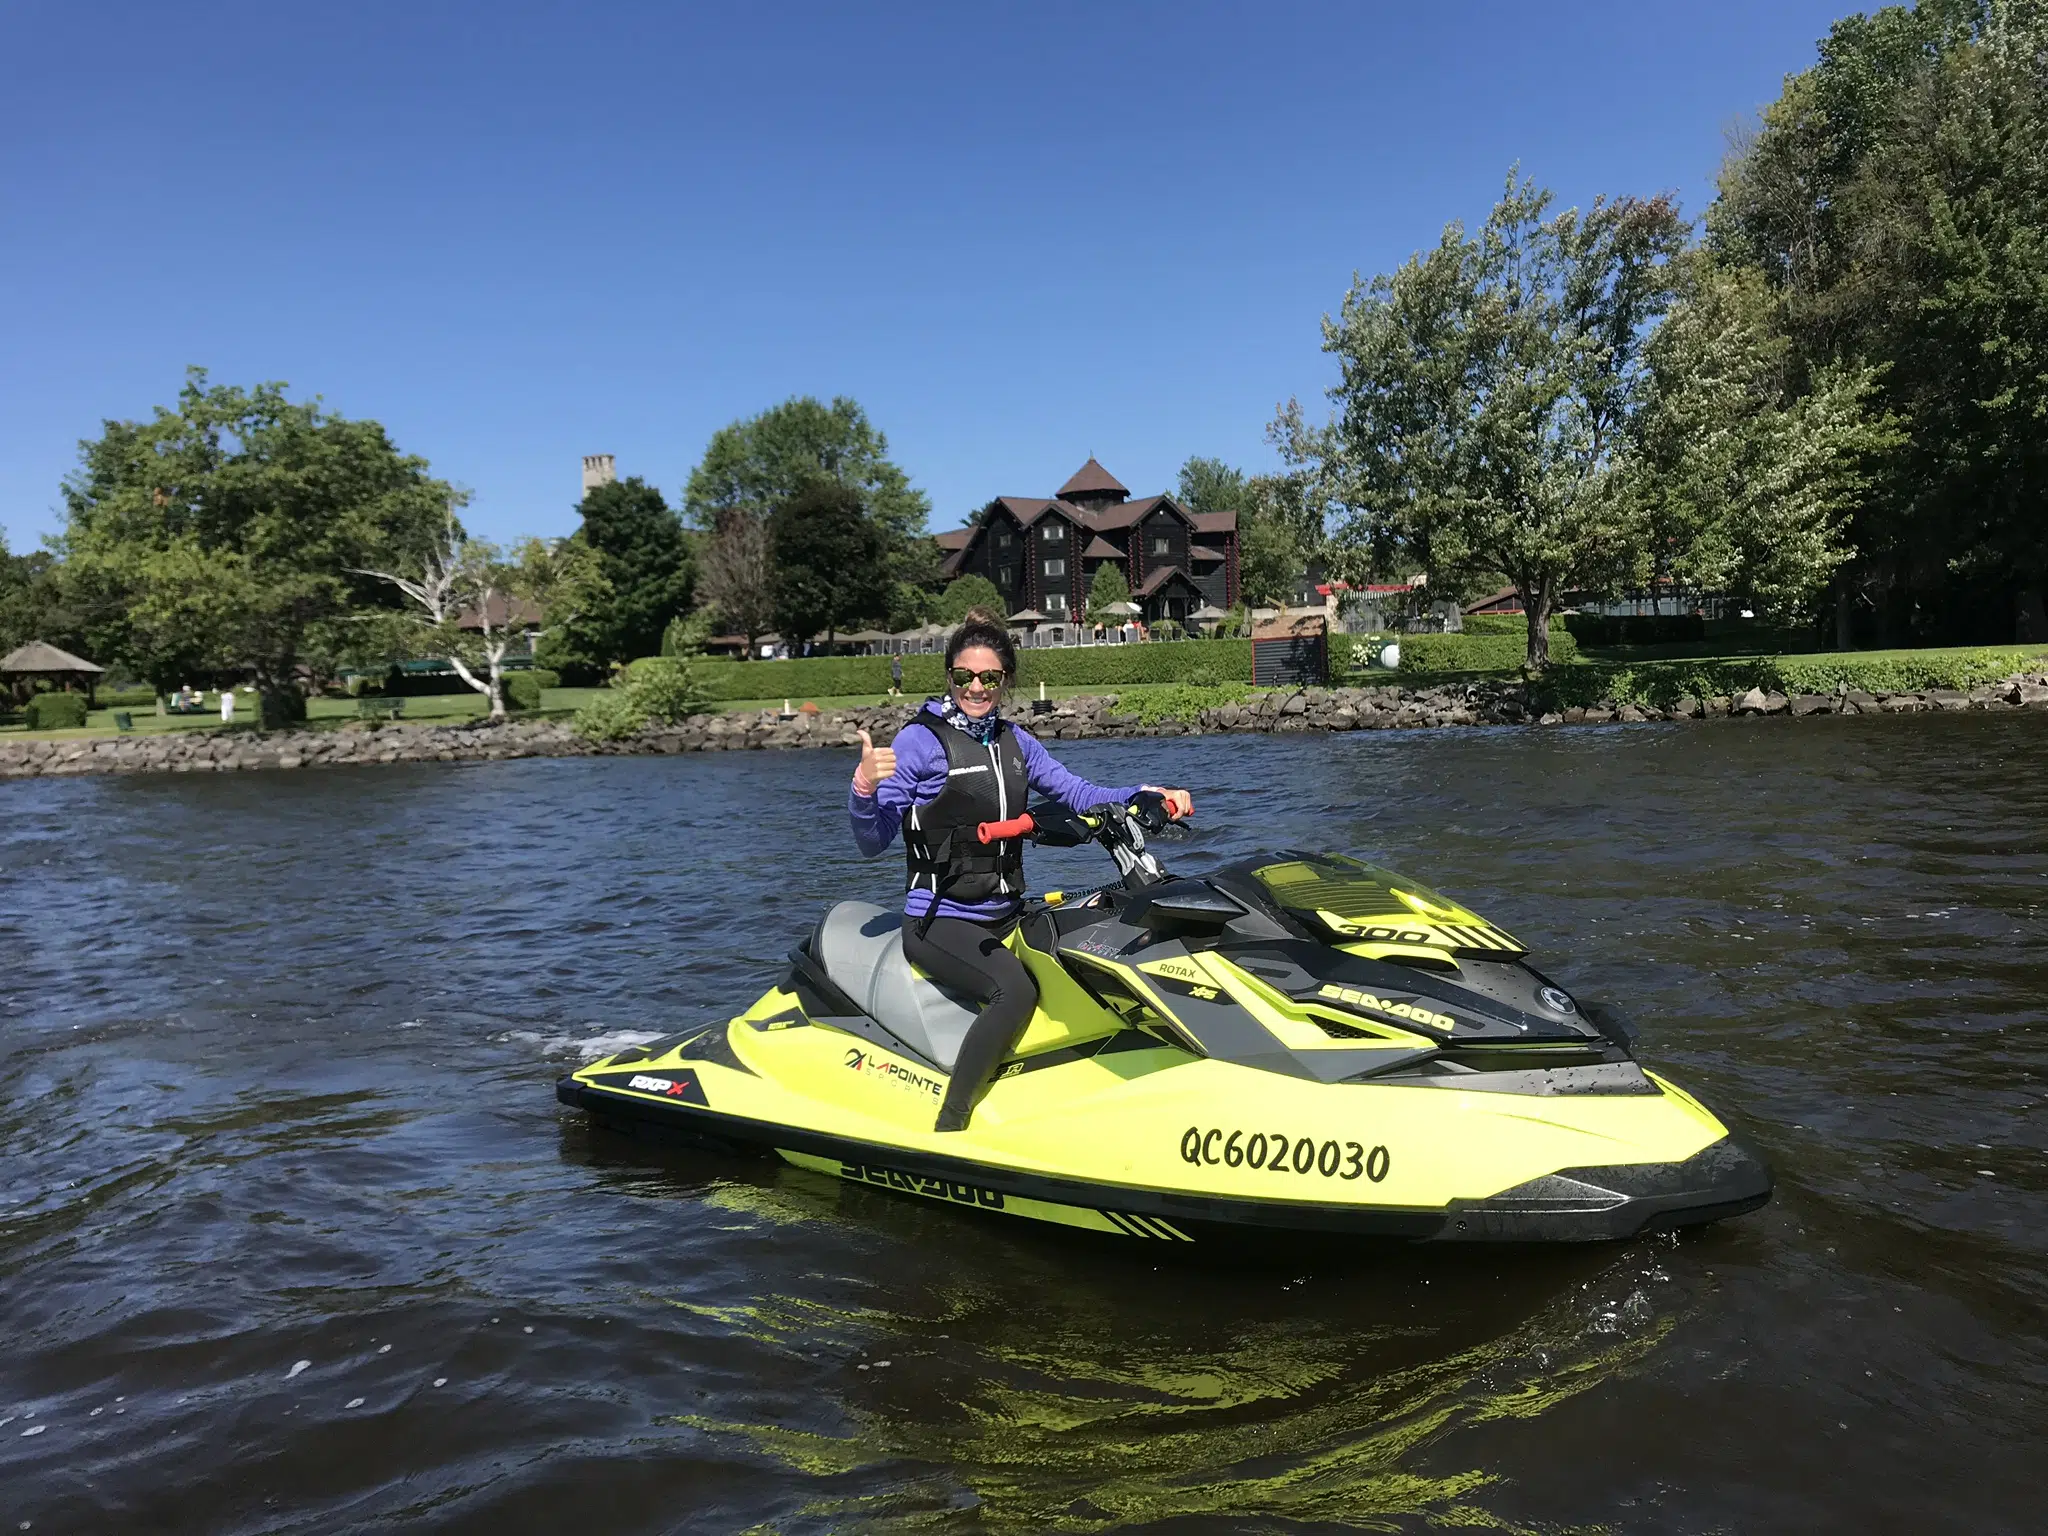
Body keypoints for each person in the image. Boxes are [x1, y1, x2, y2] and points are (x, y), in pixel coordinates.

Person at [849, 615, 1193, 1132]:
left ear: (1005, 680)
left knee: (1096, 946)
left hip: (1006, 912)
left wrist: (1145, 795)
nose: (976, 687)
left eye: (989, 677)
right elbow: (871, 841)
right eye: (964, 676)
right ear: (949, 677)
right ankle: (951, 1123)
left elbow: (1078, 794)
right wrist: (861, 789)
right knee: (1015, 990)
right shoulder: (919, 743)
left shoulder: (1017, 744)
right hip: (939, 921)